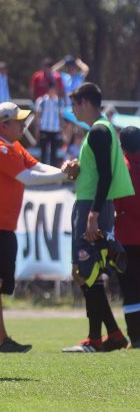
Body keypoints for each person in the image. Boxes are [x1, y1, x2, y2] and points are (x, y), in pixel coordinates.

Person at [0, 102, 75, 354]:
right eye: (18, 121)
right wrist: (63, 175)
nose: (23, 125)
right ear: (3, 124)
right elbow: (27, 177)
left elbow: (35, 166)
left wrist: (61, 170)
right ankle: (2, 340)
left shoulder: (12, 146)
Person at [62, 82, 134, 352]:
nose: (72, 110)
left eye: (74, 104)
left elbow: (106, 175)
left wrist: (93, 214)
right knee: (88, 273)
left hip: (92, 207)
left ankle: (97, 338)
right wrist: (78, 167)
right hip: (93, 205)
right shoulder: (100, 129)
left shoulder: (98, 131)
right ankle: (110, 334)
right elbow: (97, 169)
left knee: (87, 270)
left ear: (85, 103)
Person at [114, 126, 140, 346]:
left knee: (130, 290)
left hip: (127, 238)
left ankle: (135, 336)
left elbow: (117, 204)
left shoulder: (122, 168)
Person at [34, 83, 64, 166]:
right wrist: (37, 129)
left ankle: (53, 170)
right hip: (44, 128)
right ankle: (43, 169)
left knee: (54, 152)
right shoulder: (41, 101)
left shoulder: (59, 101)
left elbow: (61, 116)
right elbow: (37, 116)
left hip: (55, 129)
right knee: (43, 151)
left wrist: (62, 129)